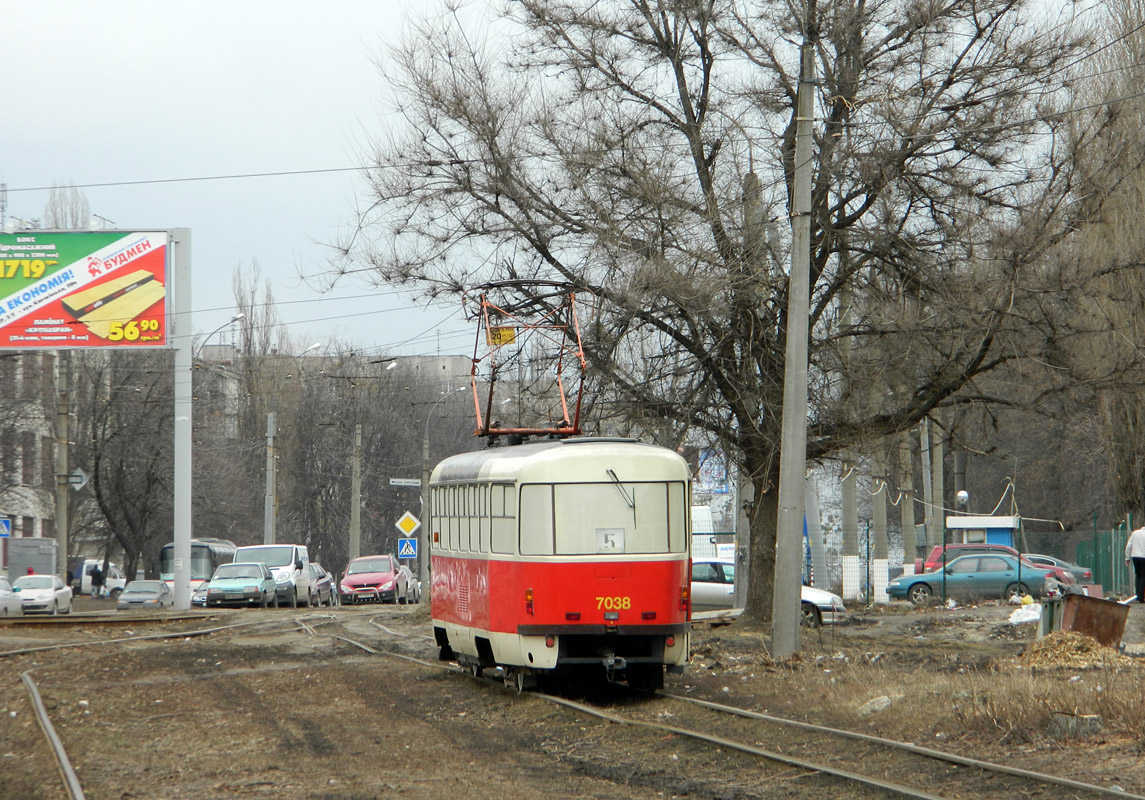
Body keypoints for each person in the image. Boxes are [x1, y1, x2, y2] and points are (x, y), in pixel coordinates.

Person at [1125, 525, 1145, 603]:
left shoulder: (1135, 533)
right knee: (1143, 576)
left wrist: (1127, 558)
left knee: (1138, 575)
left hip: (1135, 556)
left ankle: (1137, 594)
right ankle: (1140, 597)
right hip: (1144, 557)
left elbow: (1129, 545)